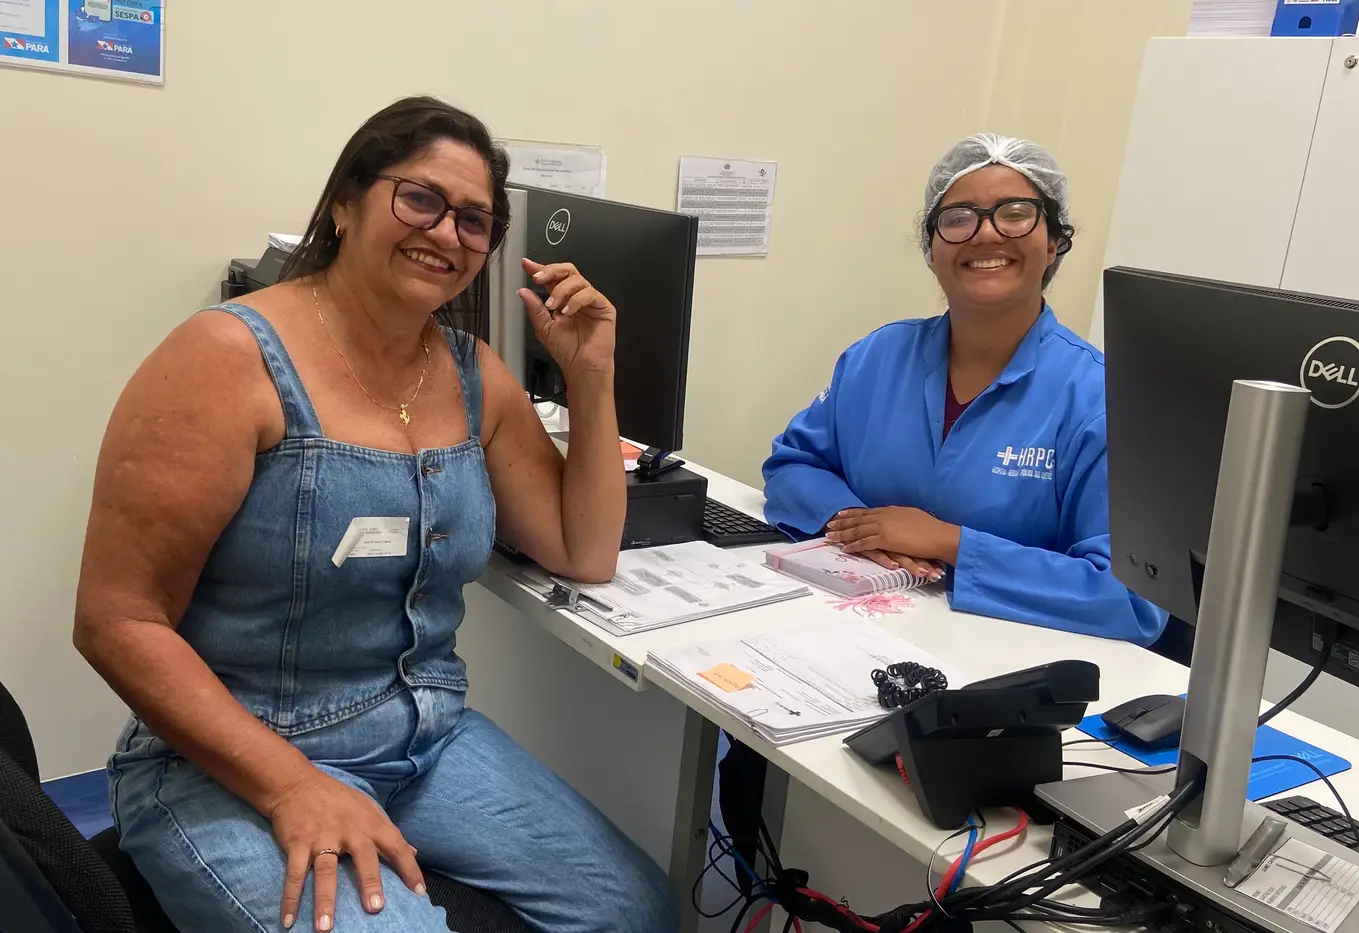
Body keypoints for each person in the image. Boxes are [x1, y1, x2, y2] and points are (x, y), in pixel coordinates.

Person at [73, 96, 676, 933]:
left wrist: (591, 374)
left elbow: (585, 550)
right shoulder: (227, 358)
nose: (446, 233)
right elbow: (116, 620)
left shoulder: (474, 373)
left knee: (637, 909)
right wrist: (293, 784)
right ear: (346, 204)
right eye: (420, 198)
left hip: (424, 740)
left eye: (474, 219)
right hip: (225, 760)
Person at [719, 133, 1167, 879]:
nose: (986, 234)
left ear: (1055, 241)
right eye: (958, 218)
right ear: (931, 247)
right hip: (848, 662)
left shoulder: (1098, 398)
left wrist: (952, 542)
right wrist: (863, 528)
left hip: (995, 715)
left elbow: (1130, 598)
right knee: (777, 812)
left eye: (1015, 213)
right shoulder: (877, 357)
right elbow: (793, 463)